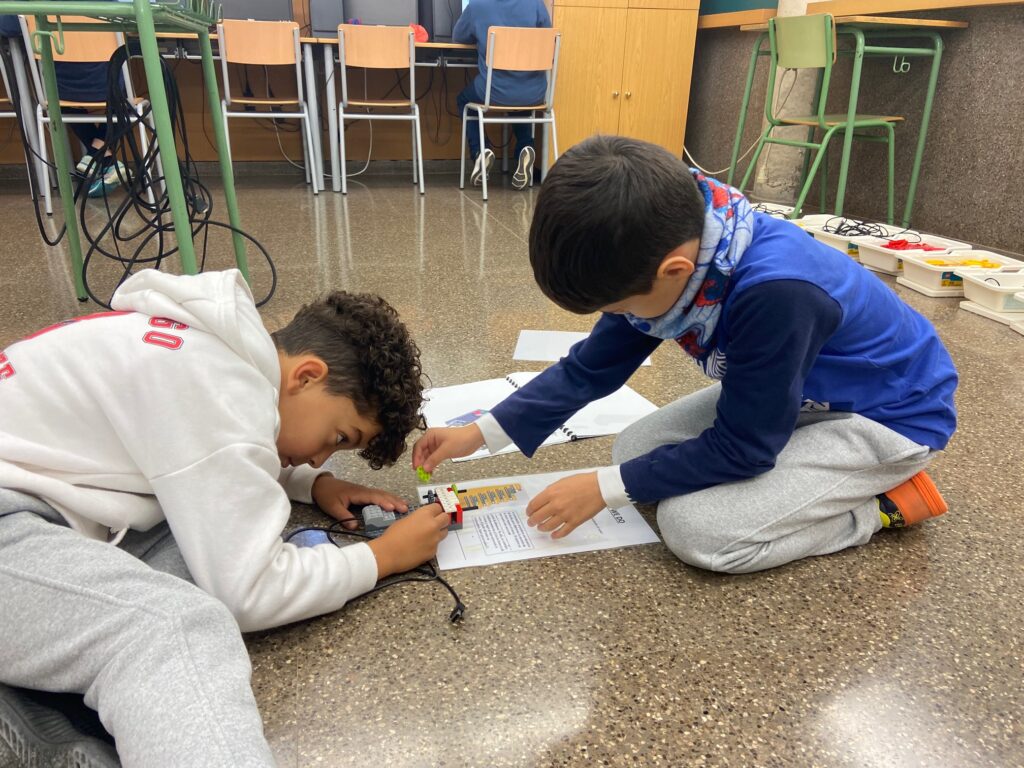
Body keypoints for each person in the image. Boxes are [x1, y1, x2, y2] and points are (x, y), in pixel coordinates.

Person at [413, 135, 958, 575]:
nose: (620, 317)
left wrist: (603, 489)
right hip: (794, 395)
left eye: (619, 307)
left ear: (674, 271)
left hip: (886, 416)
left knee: (698, 533)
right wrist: (479, 433)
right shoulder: (669, 238)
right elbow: (591, 367)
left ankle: (883, 508)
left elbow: (746, 448)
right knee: (633, 448)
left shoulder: (777, 294)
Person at [0, 269, 450, 767]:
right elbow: (251, 592)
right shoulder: (218, 387)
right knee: (178, 629)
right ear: (306, 376)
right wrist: (382, 556)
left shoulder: (211, 352)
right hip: (12, 519)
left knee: (210, 553)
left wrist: (311, 484)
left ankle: (54, 693)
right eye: (338, 437)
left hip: (45, 506)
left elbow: (205, 456)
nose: (322, 456)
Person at [0, 12, 127, 197]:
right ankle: (100, 155)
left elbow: (8, 25)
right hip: (106, 85)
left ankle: (100, 157)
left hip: (61, 89)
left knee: (60, 103)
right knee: (127, 97)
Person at [453, 0, 551, 190]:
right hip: (534, 92)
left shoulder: (477, 5)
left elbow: (458, 36)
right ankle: (525, 147)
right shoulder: (536, 4)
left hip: (494, 91)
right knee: (518, 99)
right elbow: (549, 40)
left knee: (463, 99)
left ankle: (481, 151)